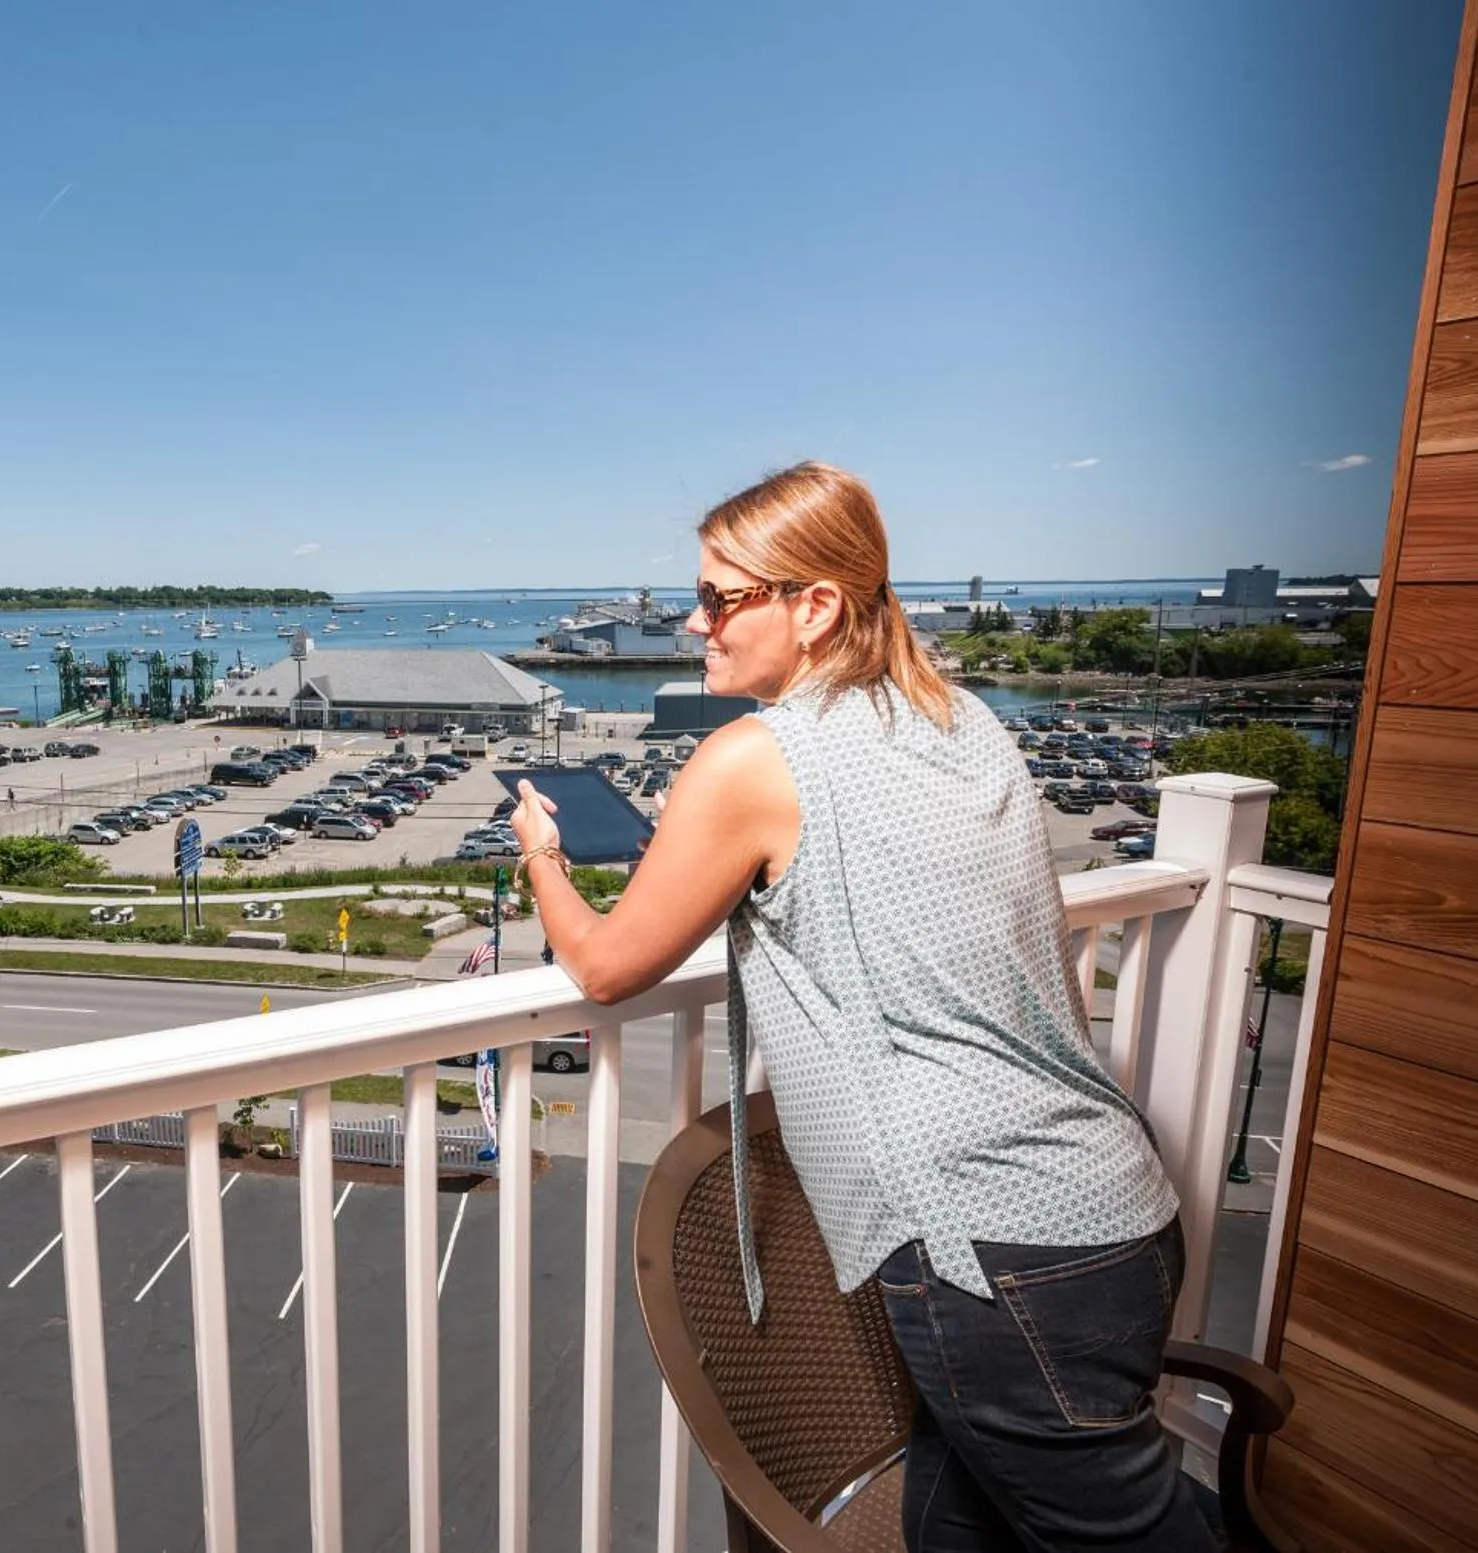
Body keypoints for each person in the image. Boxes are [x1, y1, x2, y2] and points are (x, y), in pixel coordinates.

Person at [508, 461, 1201, 1552]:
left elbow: (603, 968)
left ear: (815, 604)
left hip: (993, 1252)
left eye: (720, 597)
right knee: (952, 1523)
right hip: (1114, 1206)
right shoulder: (957, 718)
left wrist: (541, 857)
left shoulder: (755, 757)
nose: (694, 623)